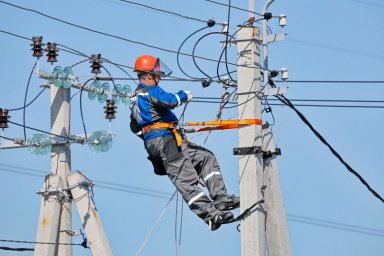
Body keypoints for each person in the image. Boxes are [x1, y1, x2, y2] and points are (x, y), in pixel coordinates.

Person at [129, 54, 239, 231]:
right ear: (149, 75)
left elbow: (134, 127)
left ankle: (222, 199)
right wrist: (183, 95)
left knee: (205, 157)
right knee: (186, 179)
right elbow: (170, 101)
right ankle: (211, 215)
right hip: (166, 141)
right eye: (157, 73)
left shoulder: (135, 98)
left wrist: (154, 138)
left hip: (164, 141)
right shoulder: (151, 91)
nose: (159, 76)